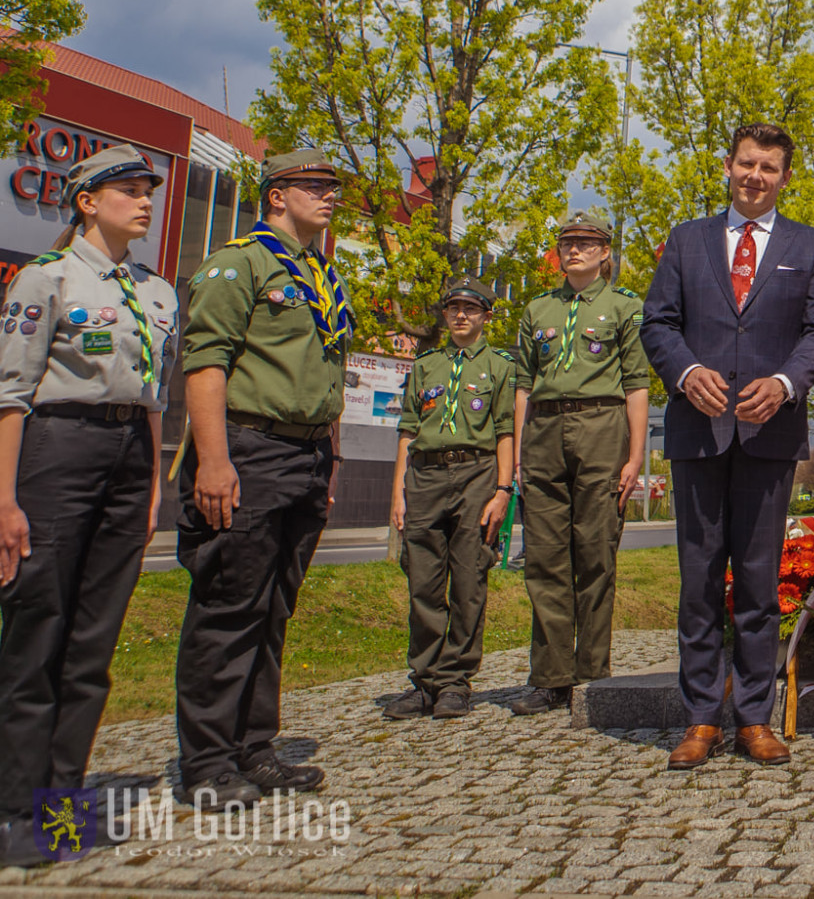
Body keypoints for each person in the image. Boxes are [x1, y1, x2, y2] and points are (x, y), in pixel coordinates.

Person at [641, 123, 814, 769]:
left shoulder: (810, 246)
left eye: (770, 167)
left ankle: (754, 715)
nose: (756, 175)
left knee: (758, 582)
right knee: (699, 581)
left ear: (786, 177)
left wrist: (784, 383)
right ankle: (701, 717)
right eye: (747, 163)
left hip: (768, 435)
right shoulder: (686, 239)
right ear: (727, 166)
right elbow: (658, 321)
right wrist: (683, 370)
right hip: (698, 434)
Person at [0, 146, 177, 868]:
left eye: (148, 190)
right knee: (38, 629)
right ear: (85, 199)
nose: (144, 202)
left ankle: (62, 807)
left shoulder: (158, 291)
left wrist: (154, 480)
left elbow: (153, 393)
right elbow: (11, 392)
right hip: (58, 448)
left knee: (93, 646)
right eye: (129, 190)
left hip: (129, 452)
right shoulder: (45, 279)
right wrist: (5, 498)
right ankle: (15, 811)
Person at [176, 149, 351, 805]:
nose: (329, 196)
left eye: (332, 187)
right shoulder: (238, 262)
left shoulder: (318, 273)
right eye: (314, 185)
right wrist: (214, 459)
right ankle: (207, 763)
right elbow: (206, 363)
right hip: (247, 448)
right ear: (276, 194)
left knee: (273, 608)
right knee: (228, 607)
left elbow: (323, 374)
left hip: (302, 457)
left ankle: (253, 747)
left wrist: (325, 462)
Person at [509, 212, 650, 718]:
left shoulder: (623, 307)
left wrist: (635, 456)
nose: (576, 250)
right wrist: (520, 450)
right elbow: (523, 383)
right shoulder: (537, 308)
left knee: (595, 553)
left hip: (601, 426)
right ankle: (549, 677)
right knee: (545, 558)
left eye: (587, 243)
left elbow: (636, 383)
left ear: (605, 252)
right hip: (545, 430)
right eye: (568, 242)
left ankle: (592, 674)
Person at [384, 277, 519, 721]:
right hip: (425, 475)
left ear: (486, 316)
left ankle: (455, 681)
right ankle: (423, 680)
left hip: (477, 473)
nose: (461, 316)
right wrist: (398, 492)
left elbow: (505, 431)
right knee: (422, 581)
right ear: (445, 315)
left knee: (468, 580)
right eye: (454, 308)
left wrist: (502, 491)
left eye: (471, 309)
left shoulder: (500, 366)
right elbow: (407, 429)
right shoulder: (425, 365)